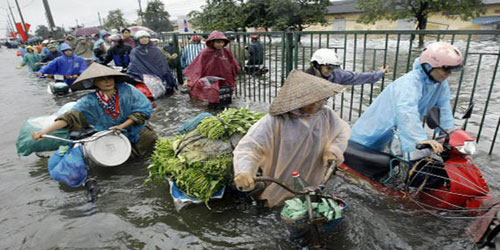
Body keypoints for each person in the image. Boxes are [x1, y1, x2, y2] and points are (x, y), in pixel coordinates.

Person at [233, 70, 350, 208]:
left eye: (318, 99)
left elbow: (342, 132)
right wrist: (245, 171)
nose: (314, 104)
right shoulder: (276, 121)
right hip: (282, 182)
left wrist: (333, 150)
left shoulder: (326, 115)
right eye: (308, 100)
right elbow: (250, 147)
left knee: (312, 203)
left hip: (314, 177)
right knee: (279, 208)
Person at [349, 42, 464, 159]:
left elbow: (444, 108)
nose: (449, 74)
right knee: (358, 160)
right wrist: (420, 140)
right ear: (430, 65)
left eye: (452, 70)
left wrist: (449, 134)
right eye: (446, 69)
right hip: (370, 132)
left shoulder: (439, 84)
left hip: (394, 131)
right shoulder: (410, 82)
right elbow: (407, 111)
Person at [31, 63, 157, 158]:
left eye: (109, 77)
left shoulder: (127, 90)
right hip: (115, 139)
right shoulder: (90, 100)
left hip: (142, 136)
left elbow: (143, 111)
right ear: (94, 82)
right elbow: (70, 117)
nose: (107, 81)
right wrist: (44, 131)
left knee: (147, 161)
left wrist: (122, 126)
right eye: (102, 79)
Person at [182, 30, 240, 107]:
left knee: (225, 100)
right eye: (218, 42)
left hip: (225, 78)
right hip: (211, 80)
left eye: (222, 42)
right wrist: (189, 80)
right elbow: (197, 67)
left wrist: (234, 75)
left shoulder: (226, 51)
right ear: (212, 42)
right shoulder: (205, 52)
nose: (220, 44)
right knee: (213, 99)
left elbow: (232, 63)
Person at [127, 30, 177, 94]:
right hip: (144, 77)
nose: (144, 39)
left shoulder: (156, 50)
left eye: (146, 37)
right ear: (138, 39)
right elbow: (134, 64)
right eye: (142, 38)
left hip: (158, 75)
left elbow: (162, 63)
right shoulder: (135, 52)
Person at [306, 48, 389, 85]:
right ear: (317, 65)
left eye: (333, 68)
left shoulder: (337, 75)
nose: (331, 71)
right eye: (328, 68)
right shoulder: (305, 79)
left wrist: (380, 73)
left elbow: (358, 77)